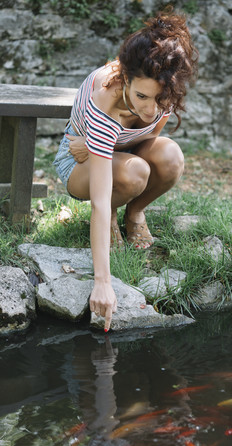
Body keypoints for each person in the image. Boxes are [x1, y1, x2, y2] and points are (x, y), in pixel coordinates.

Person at [53, 8, 198, 332]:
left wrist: (106, 146)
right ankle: (116, 221)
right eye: (141, 97)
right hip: (77, 161)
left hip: (114, 151)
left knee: (171, 156)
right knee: (133, 173)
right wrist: (102, 282)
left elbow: (147, 140)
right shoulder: (105, 98)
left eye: (158, 100)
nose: (150, 109)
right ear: (125, 79)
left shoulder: (164, 90)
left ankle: (135, 214)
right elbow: (101, 200)